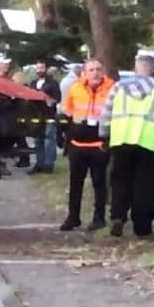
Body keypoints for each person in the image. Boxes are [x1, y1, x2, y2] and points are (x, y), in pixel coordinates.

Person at [100, 55, 154, 238]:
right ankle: (142, 227)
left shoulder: (118, 88)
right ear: (153, 70)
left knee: (120, 181)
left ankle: (118, 216)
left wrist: (104, 136)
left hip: (121, 141)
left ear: (135, 69)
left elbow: (106, 114)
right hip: (149, 143)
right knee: (146, 186)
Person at [58, 58, 115, 231]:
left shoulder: (113, 88)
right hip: (77, 144)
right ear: (84, 72)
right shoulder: (75, 87)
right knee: (75, 182)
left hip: (100, 144)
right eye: (91, 70)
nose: (95, 73)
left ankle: (99, 218)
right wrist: (66, 132)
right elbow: (66, 112)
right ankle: (73, 217)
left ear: (103, 71)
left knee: (99, 182)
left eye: (98, 69)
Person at [28, 59, 62, 174]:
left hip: (49, 114)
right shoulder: (33, 83)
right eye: (37, 68)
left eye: (41, 68)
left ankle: (49, 165)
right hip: (35, 115)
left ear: (46, 69)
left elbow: (58, 98)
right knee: (38, 140)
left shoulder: (53, 83)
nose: (39, 70)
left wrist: (49, 100)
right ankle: (39, 163)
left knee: (49, 140)